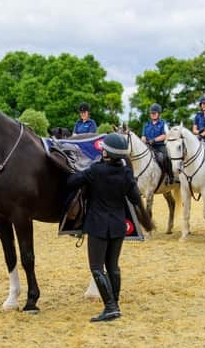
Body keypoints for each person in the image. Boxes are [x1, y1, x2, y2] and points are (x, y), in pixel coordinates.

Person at [67, 133, 143, 322]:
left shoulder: (96, 170)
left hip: (98, 226)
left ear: (107, 153)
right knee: (113, 267)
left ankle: (110, 307)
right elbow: (135, 198)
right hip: (118, 225)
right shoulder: (126, 173)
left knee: (96, 267)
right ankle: (114, 303)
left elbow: (72, 182)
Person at [141, 103, 174, 184]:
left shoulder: (163, 123)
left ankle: (170, 176)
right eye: (152, 113)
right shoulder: (147, 124)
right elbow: (143, 136)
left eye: (154, 113)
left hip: (160, 146)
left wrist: (154, 140)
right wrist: (144, 140)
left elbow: (165, 135)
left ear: (159, 114)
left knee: (166, 157)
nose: (153, 115)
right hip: (149, 146)